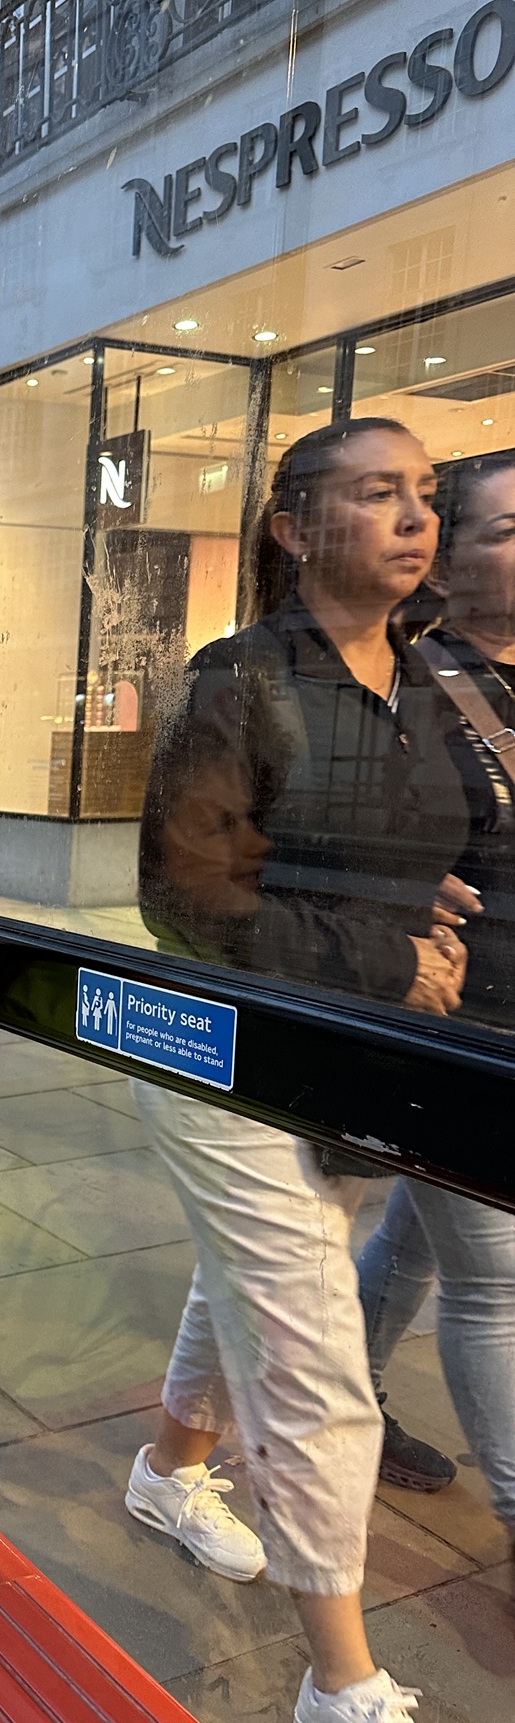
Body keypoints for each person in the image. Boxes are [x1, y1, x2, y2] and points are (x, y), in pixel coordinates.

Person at [124, 418, 490, 1723]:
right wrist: (382, 957)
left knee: (255, 1284)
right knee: (316, 1348)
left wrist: (429, 911)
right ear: (294, 525)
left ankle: (166, 1472)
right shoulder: (244, 681)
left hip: (342, 1052)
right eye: (375, 495)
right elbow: (186, 899)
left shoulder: (428, 679)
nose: (414, 518)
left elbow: (393, 850)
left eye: (423, 498)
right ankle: (339, 1692)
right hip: (224, 1055)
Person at [355, 449, 515, 1544]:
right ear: (447, 565)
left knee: (421, 1224)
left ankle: (344, 1394)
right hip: (460, 1013)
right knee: (495, 1269)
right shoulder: (413, 683)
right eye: (507, 529)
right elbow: (333, 839)